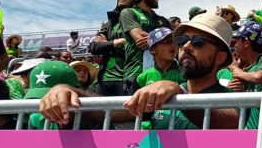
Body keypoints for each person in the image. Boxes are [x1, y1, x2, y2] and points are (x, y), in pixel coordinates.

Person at [37, 14, 239, 130]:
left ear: (220, 57)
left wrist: (178, 93)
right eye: (181, 41)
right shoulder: (160, 93)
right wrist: (65, 91)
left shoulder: (236, 101)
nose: (185, 47)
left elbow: (230, 123)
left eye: (197, 42)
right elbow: (110, 111)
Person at [120, 0, 171, 95]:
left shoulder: (163, 20)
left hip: (162, 73)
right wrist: (162, 39)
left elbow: (173, 43)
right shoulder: (128, 13)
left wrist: (152, 39)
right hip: (137, 73)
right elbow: (140, 39)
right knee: (136, 113)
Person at [218, 21, 262, 129]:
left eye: (237, 42)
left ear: (246, 42)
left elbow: (258, 77)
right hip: (243, 131)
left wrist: (236, 69)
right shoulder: (243, 68)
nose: (235, 46)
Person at [90, 0, 130, 96]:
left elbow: (135, 49)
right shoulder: (109, 24)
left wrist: (107, 45)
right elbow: (94, 48)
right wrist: (118, 42)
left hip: (126, 79)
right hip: (103, 80)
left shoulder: (138, 22)